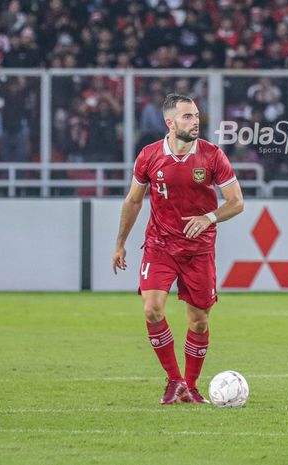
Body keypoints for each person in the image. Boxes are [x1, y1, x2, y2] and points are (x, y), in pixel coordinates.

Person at [112, 93, 244, 405]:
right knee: (151, 308)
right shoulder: (149, 155)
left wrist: (209, 217)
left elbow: (236, 202)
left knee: (199, 320)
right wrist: (120, 243)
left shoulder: (212, 156)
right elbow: (133, 200)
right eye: (187, 116)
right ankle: (174, 380)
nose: (195, 121)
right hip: (160, 245)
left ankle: (191, 386)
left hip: (199, 250)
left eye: (196, 115)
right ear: (170, 123)